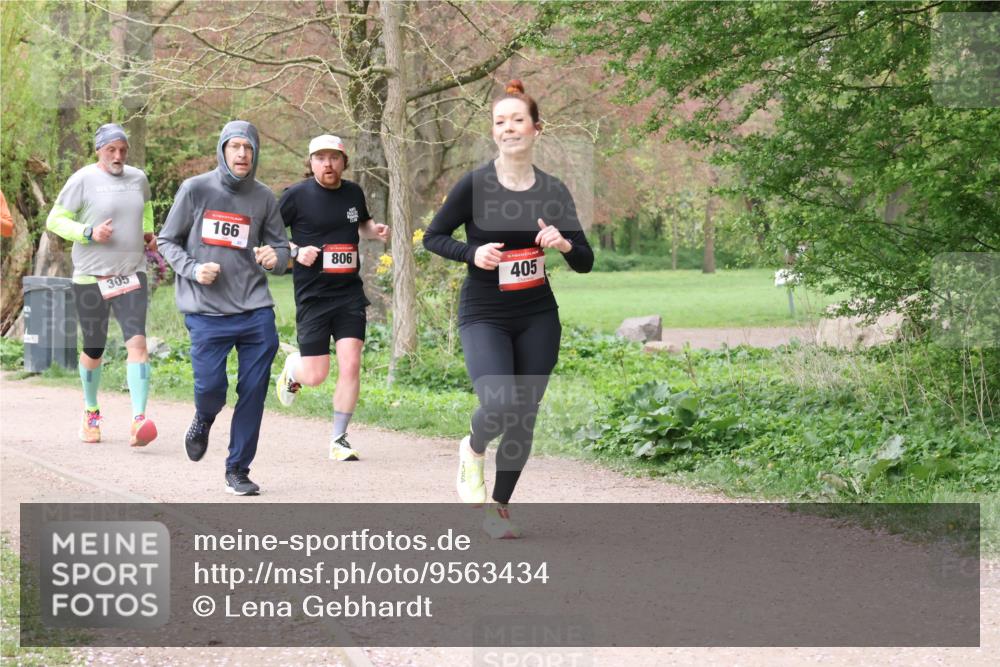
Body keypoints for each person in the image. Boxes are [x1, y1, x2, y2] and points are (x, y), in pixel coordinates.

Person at [424, 80, 594, 537]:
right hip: (484, 312)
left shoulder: (553, 190)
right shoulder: (475, 184)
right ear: (494, 131)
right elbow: (433, 236)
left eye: (518, 119)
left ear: (537, 128)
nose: (509, 128)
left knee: (525, 414)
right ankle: (473, 447)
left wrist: (563, 243)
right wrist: (470, 254)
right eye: (500, 122)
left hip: (537, 314)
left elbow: (585, 260)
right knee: (499, 402)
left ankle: (497, 507)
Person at [157, 120, 290, 496]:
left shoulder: (264, 197)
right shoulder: (195, 189)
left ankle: (238, 469)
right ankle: (204, 416)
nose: (242, 154)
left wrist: (274, 258)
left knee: (253, 390)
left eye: (247, 147)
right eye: (234, 147)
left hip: (254, 310)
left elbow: (282, 251)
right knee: (212, 389)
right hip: (206, 311)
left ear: (255, 152)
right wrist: (194, 269)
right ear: (223, 150)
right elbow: (167, 240)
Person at [274, 135, 390, 461]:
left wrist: (374, 231)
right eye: (320, 158)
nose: (328, 164)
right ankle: (293, 370)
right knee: (316, 375)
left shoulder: (353, 192)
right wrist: (296, 251)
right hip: (313, 295)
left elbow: (361, 225)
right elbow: (267, 233)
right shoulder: (295, 196)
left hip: (349, 293)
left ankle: (339, 439)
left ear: (343, 161)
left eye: (334, 158)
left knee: (351, 362)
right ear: (310, 163)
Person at [45, 123, 158, 447]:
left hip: (132, 273)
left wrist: (147, 234)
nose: (118, 155)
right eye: (111, 150)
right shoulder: (82, 179)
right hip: (92, 276)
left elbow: (146, 208)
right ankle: (91, 411)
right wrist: (88, 233)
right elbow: (55, 220)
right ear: (99, 150)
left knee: (137, 343)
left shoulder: (138, 178)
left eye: (123, 149)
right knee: (94, 347)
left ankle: (139, 420)